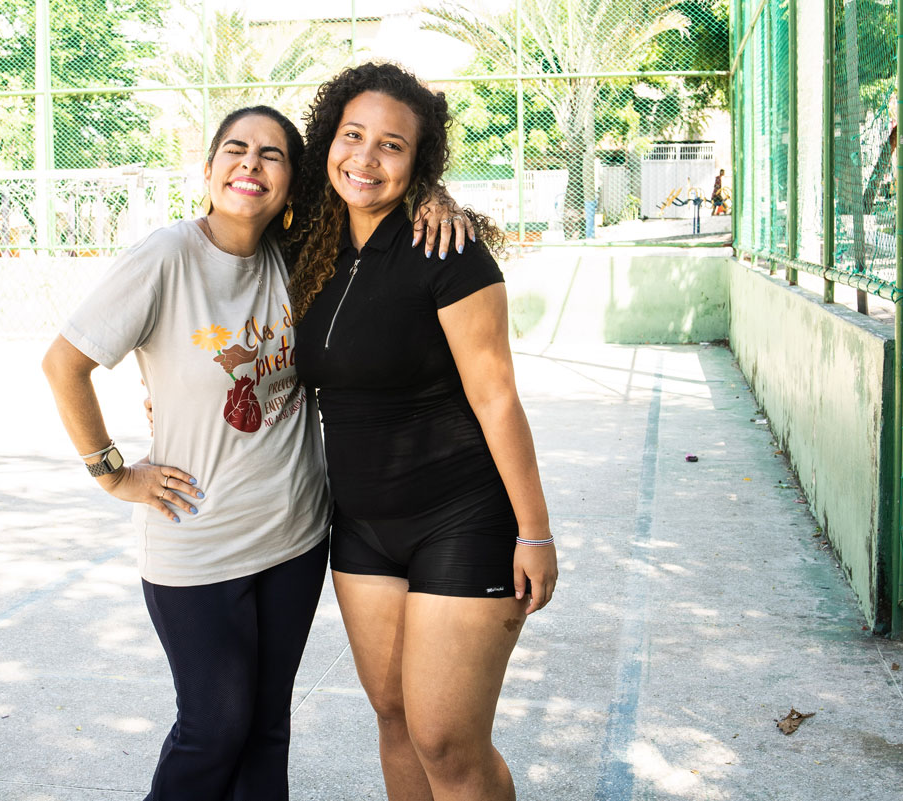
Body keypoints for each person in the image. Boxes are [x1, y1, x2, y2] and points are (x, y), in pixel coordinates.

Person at [43, 104, 470, 801]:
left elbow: (370, 191)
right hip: (197, 541)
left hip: (294, 538)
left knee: (267, 728)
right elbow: (64, 363)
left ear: (293, 180)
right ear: (208, 167)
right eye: (236, 149)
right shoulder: (167, 256)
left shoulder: (301, 259)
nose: (251, 163)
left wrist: (432, 195)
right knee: (214, 727)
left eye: (272, 155)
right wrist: (113, 473)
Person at [287, 63, 558, 801]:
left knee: (447, 740)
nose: (366, 158)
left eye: (392, 145)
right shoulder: (310, 244)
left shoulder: (447, 249)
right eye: (353, 136)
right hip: (362, 527)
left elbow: (497, 396)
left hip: (461, 517)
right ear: (328, 139)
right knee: (395, 717)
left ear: (420, 162)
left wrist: (534, 532)